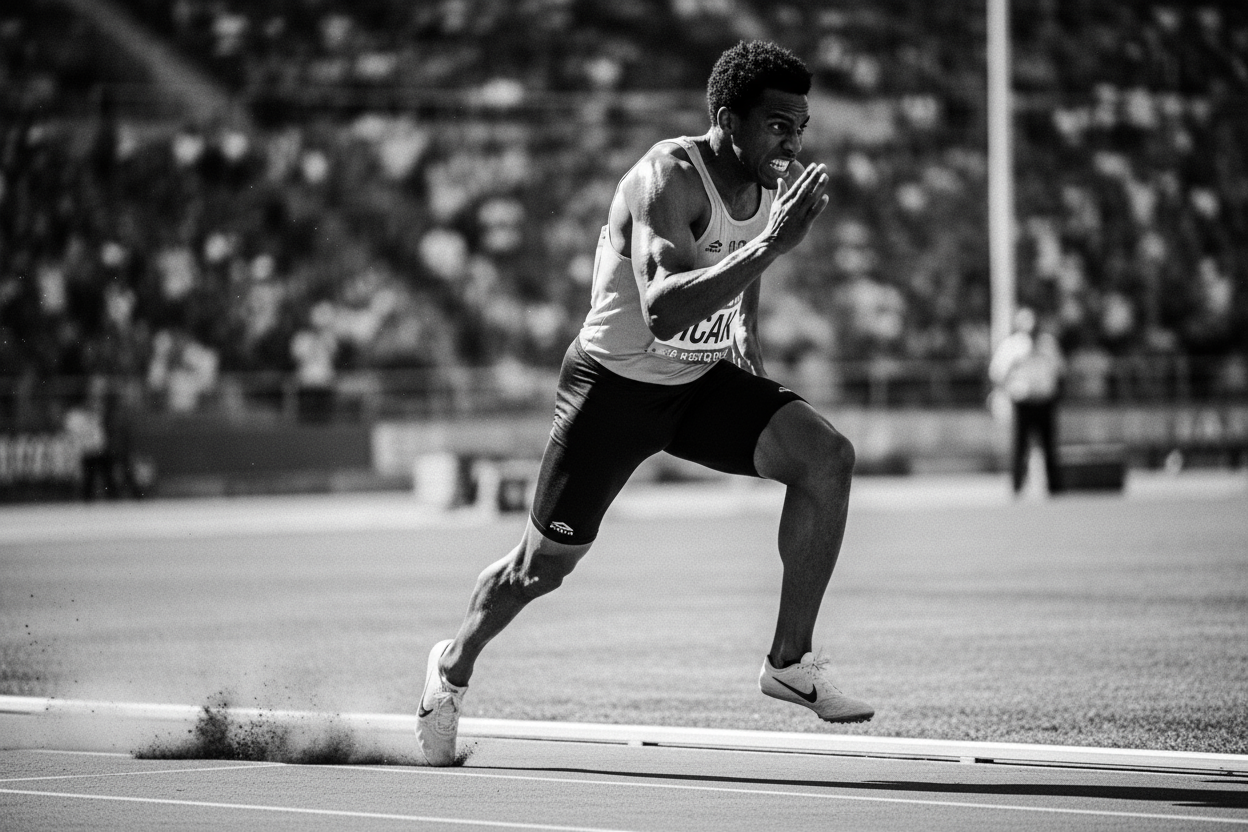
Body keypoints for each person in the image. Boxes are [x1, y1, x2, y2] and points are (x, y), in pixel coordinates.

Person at [416, 40, 872, 766]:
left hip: (697, 385)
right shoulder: (665, 179)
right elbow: (663, 307)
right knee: (541, 569)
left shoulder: (762, 182)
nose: (793, 142)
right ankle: (451, 667)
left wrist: (748, 317)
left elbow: (742, 244)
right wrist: (772, 251)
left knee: (827, 458)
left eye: (801, 127)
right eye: (779, 125)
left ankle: (789, 660)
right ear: (728, 119)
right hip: (613, 390)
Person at [989, 307, 1066, 495]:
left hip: (1045, 402)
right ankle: (1017, 485)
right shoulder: (1012, 346)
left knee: (1049, 446)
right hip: (1022, 402)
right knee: (1019, 446)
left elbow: (1060, 370)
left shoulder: (1048, 344)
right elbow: (997, 373)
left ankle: (1054, 486)